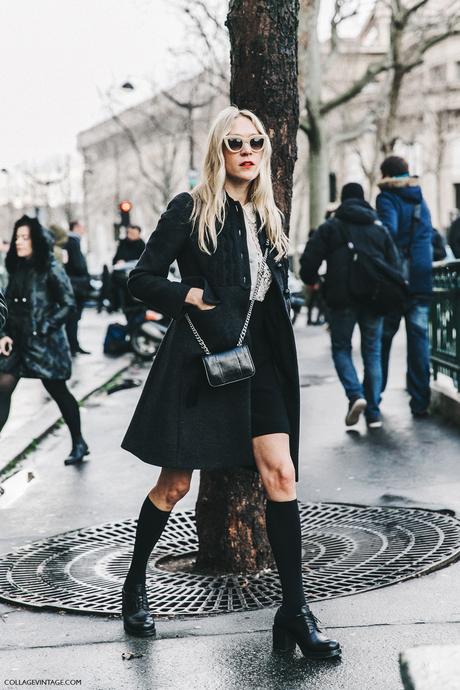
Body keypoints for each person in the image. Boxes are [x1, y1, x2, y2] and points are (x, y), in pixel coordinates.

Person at [120, 106, 341, 660]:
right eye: (236, 142)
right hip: (206, 363)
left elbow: (269, 291)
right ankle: (135, 584)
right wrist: (189, 295)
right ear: (218, 150)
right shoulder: (190, 209)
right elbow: (141, 280)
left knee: (282, 476)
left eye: (257, 143)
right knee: (174, 486)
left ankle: (294, 612)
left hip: (261, 357)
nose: (248, 151)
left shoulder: (269, 214)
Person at [300, 183, 399, 428]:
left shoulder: (331, 227)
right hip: (374, 299)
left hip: (341, 299)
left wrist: (314, 282)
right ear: (364, 200)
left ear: (342, 200)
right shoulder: (378, 227)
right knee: (372, 353)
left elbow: (309, 262)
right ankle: (374, 412)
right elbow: (394, 264)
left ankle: (355, 395)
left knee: (342, 349)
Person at [0, 216, 89, 464]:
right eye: (17, 237)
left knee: (59, 392)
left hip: (46, 345)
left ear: (36, 241)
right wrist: (3, 334)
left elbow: (68, 303)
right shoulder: (15, 268)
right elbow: (6, 306)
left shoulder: (50, 266)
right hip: (17, 342)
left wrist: (44, 327)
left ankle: (79, 442)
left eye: (25, 237)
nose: (19, 242)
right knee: (2, 388)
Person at [376, 156, 433, 417]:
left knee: (382, 337)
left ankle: (374, 398)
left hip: (396, 279)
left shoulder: (387, 197)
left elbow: (389, 230)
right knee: (419, 340)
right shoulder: (421, 199)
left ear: (386, 174)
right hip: (422, 277)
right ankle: (420, 401)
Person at [64, 220, 91, 356]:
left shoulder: (72, 241)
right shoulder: (73, 242)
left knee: (73, 319)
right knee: (73, 318)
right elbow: (78, 265)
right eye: (81, 227)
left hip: (75, 286)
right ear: (75, 227)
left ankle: (74, 345)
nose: (83, 229)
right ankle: (73, 345)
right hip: (76, 287)